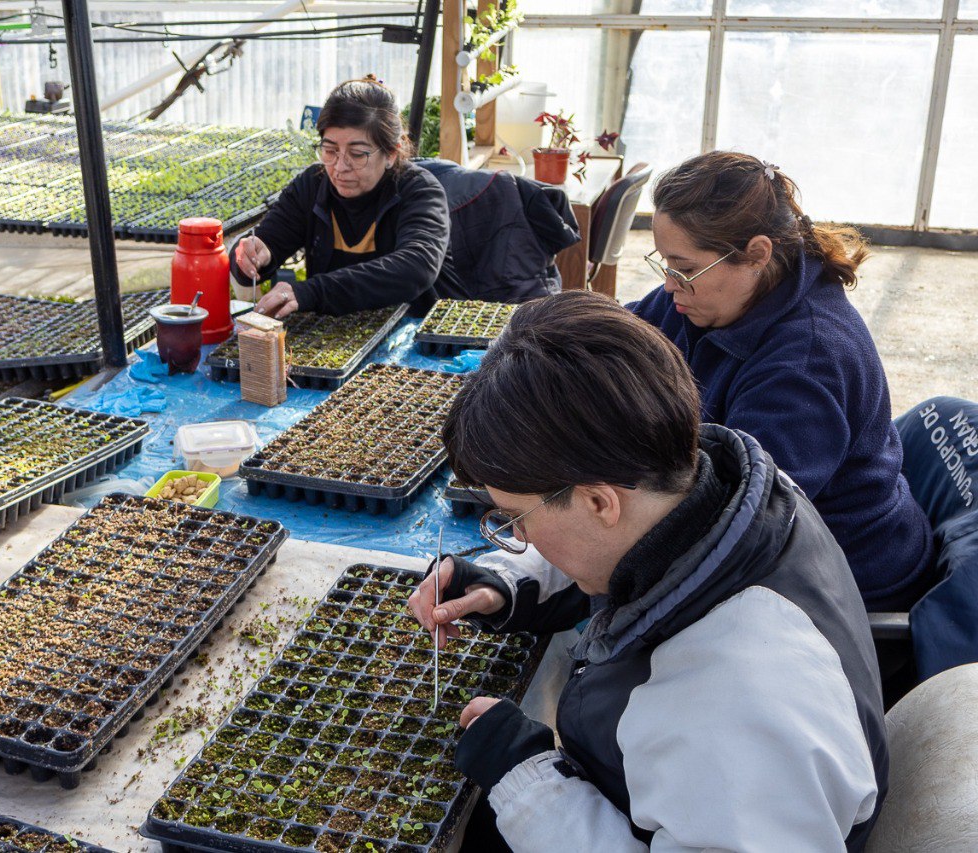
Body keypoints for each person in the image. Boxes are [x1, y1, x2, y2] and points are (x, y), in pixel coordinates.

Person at [408, 292, 887, 851]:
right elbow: (636, 554)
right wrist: (506, 584)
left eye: (516, 519)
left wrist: (527, 778)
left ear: (598, 503)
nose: (517, 537)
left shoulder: (737, 704)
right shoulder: (724, 497)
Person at [630, 151, 934, 612]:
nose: (670, 284)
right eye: (666, 264)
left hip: (837, 584)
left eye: (685, 268)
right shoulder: (709, 294)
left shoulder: (807, 361)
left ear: (757, 254)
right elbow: (614, 336)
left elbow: (740, 522)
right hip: (760, 541)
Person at [230, 76, 460, 318]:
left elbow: (415, 268)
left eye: (358, 154)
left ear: (392, 153)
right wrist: (252, 255)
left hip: (415, 333)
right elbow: (268, 240)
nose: (340, 167)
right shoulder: (313, 185)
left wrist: (312, 293)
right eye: (330, 151)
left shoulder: (420, 192)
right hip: (336, 334)